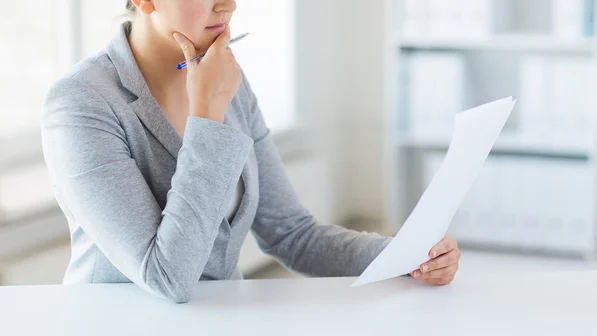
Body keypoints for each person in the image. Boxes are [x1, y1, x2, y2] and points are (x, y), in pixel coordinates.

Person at [41, 0, 461, 303]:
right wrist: (206, 118)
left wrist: (405, 254)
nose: (228, 6)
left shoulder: (229, 84)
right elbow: (167, 277)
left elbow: (292, 234)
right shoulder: (81, 102)